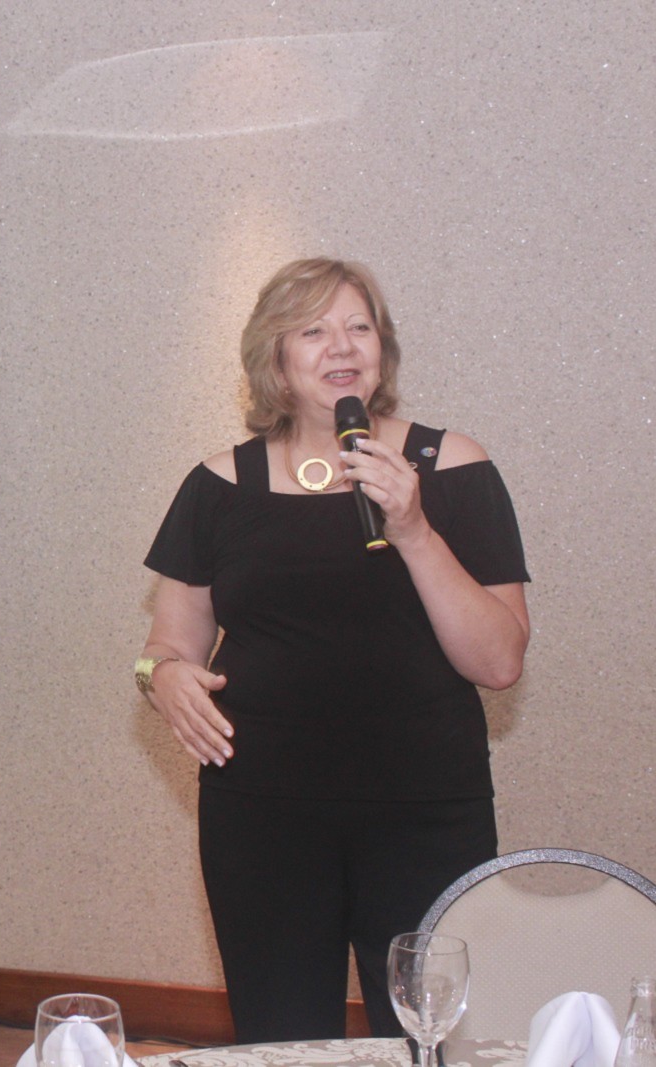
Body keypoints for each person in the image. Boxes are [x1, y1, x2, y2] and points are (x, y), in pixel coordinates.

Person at [134, 258, 530, 1042]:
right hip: (262, 817)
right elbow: (162, 649)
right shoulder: (218, 485)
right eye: (312, 330)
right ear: (275, 358)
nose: (342, 346)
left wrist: (413, 528)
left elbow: (498, 662)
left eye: (358, 326)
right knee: (280, 1039)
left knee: (427, 1040)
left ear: (382, 348)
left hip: (426, 812)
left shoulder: (453, 468)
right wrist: (164, 676)